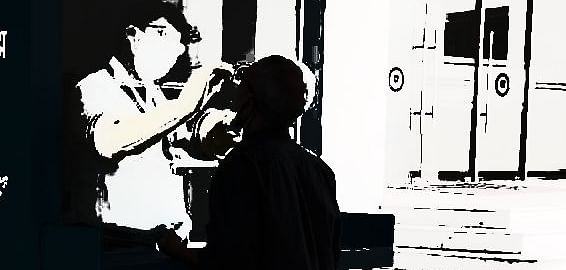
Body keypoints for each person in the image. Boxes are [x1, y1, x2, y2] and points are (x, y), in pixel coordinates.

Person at [159, 55, 341, 270]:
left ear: (247, 101)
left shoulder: (241, 166)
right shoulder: (319, 170)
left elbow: (226, 263)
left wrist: (174, 248)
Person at [68, 0, 218, 240]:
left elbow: (179, 146)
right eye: (162, 34)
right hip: (117, 245)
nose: (176, 49)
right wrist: (186, 105)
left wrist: (220, 127)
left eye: (179, 43)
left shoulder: (154, 93)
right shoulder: (94, 87)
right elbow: (109, 140)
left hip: (165, 244)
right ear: (133, 35)